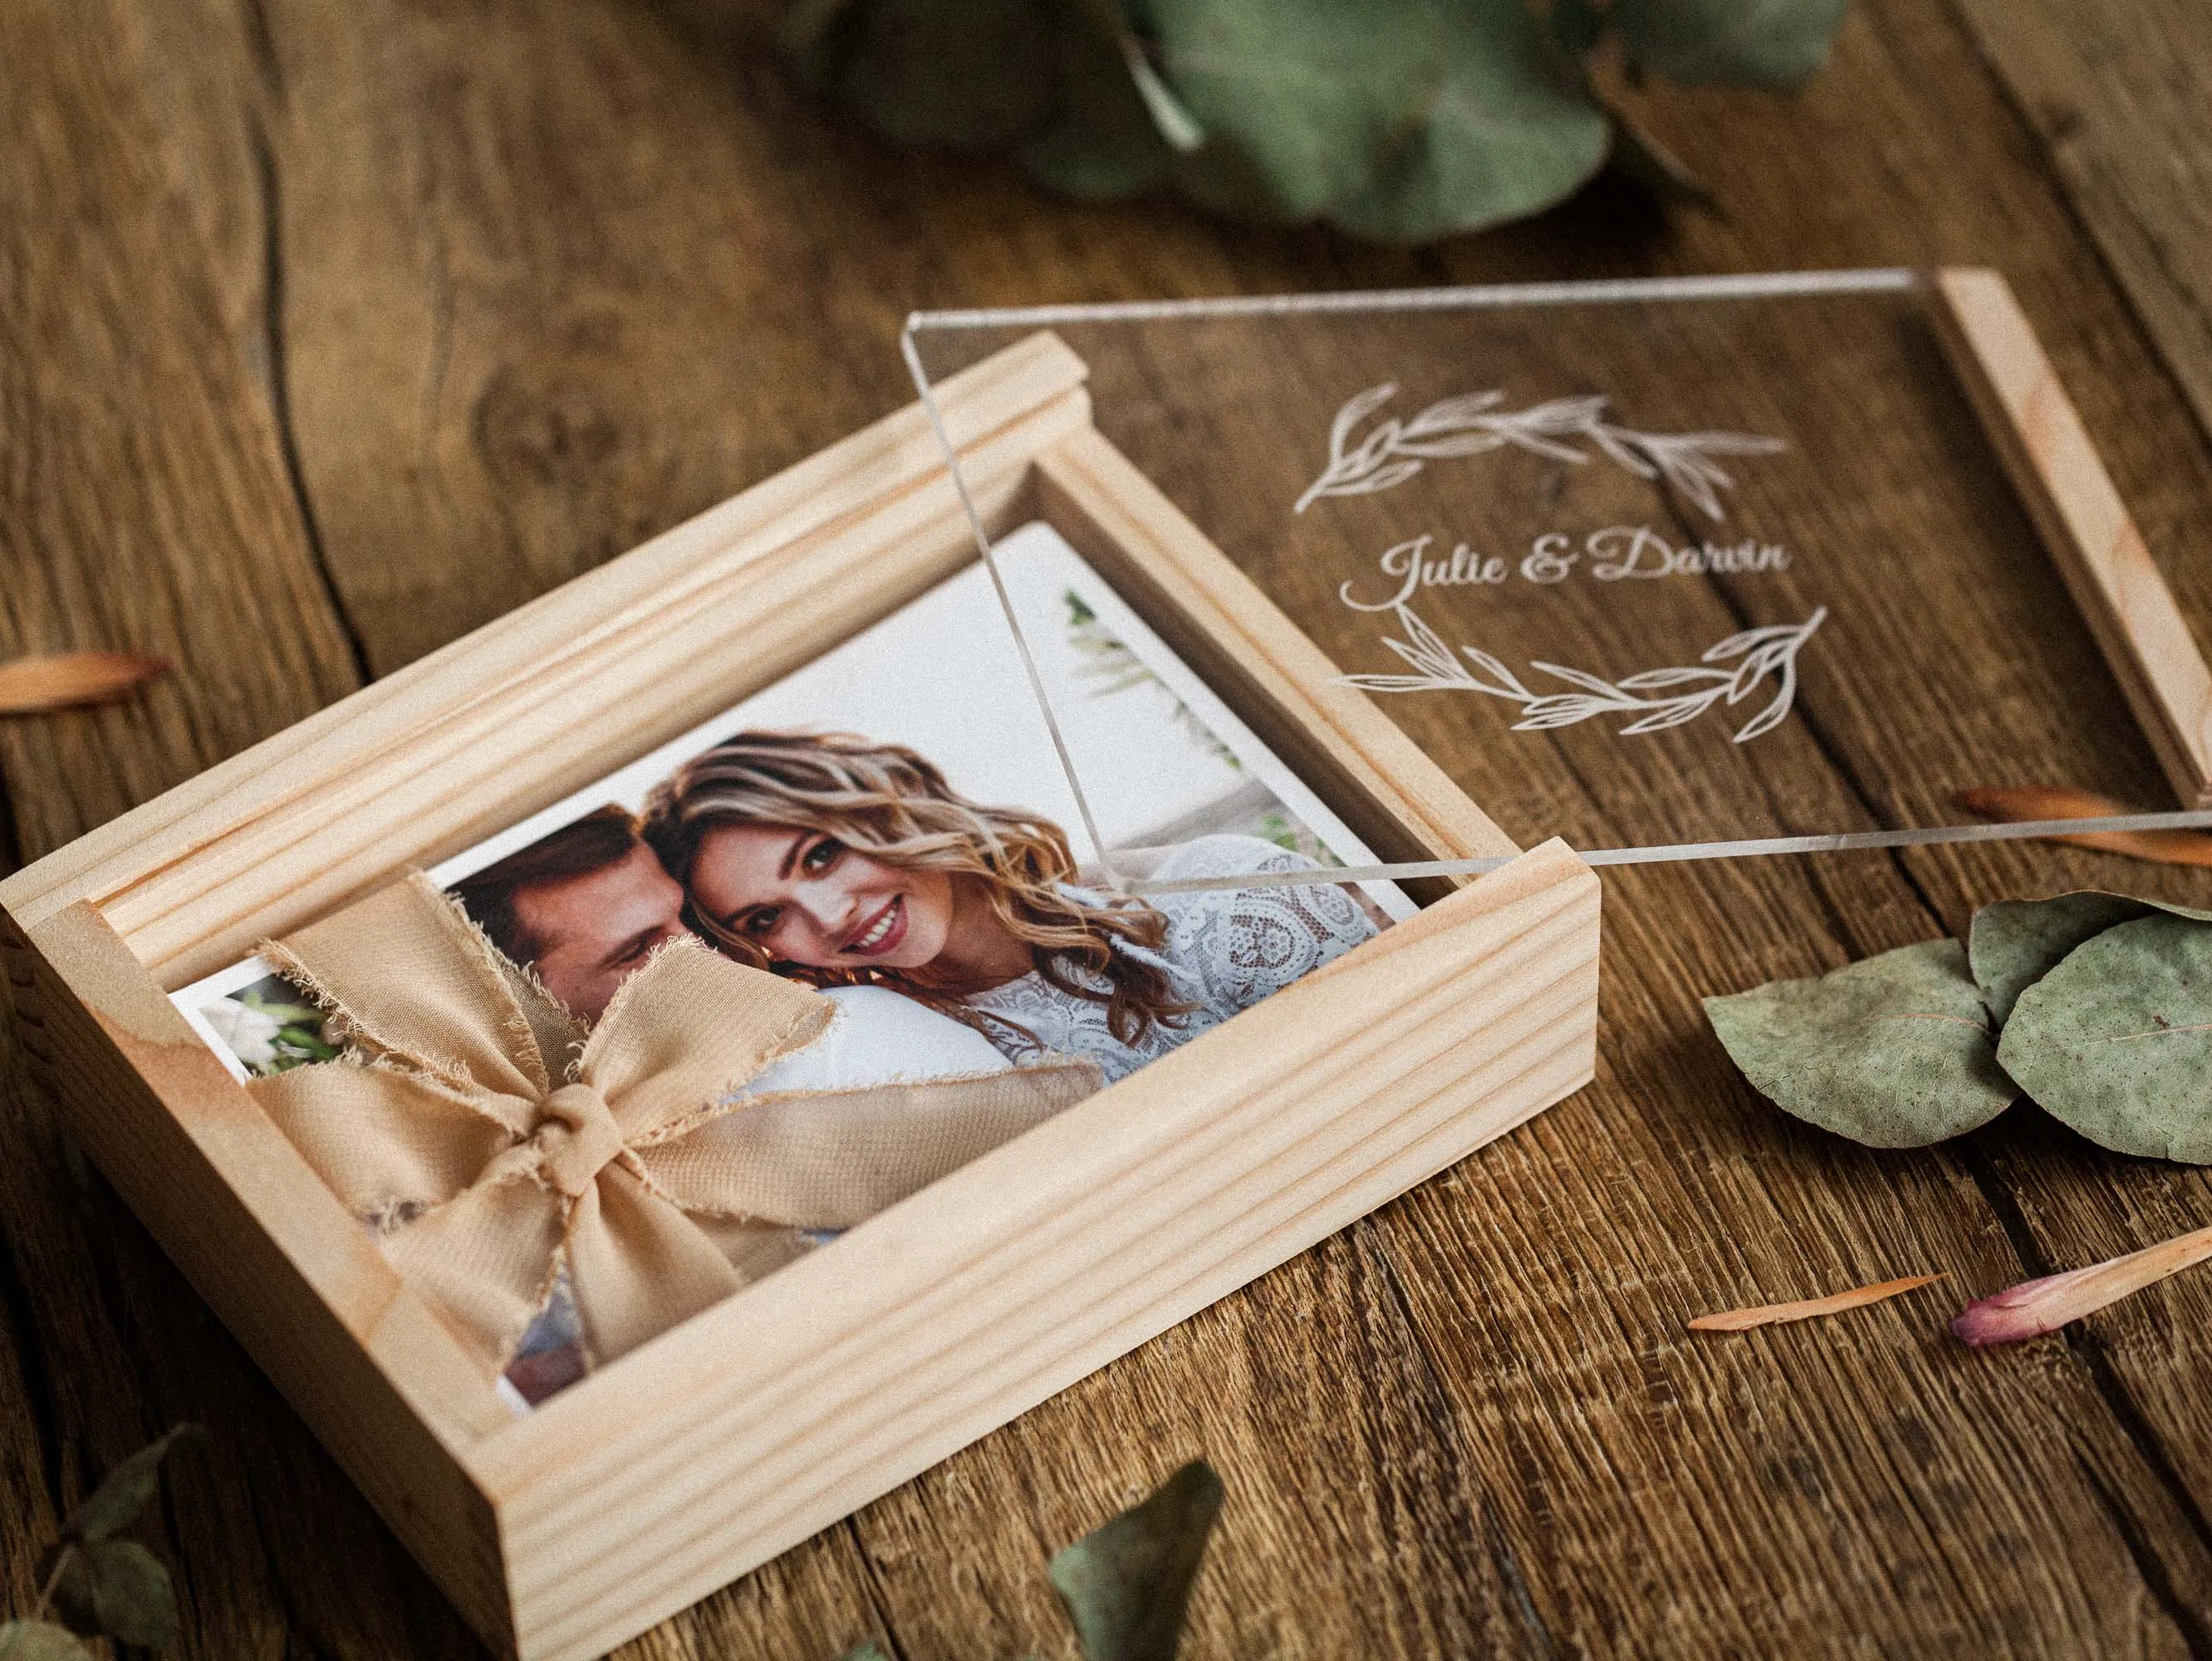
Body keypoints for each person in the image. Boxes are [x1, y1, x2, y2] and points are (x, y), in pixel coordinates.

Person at [640, 730, 1380, 1085]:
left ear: (892, 801)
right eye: (766, 919)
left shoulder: (1224, 904)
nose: (828, 916)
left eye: (822, 854)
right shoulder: (881, 1074)